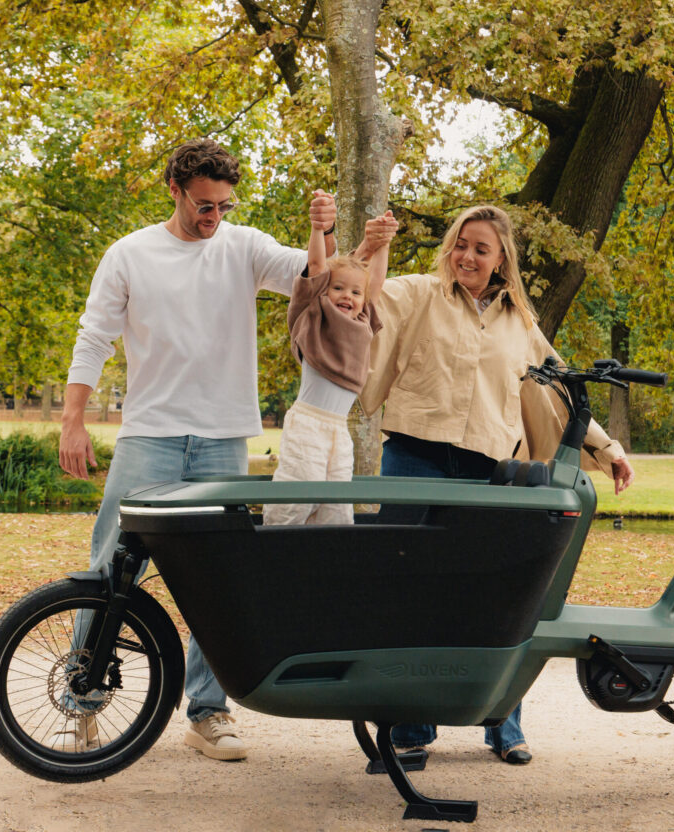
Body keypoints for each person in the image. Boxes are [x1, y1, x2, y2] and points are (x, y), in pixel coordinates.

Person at [58, 137, 337, 761]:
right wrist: (73, 421)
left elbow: (318, 274)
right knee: (109, 568)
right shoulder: (131, 253)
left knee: (218, 581)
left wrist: (327, 230)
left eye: (224, 205)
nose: (214, 217)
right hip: (149, 436)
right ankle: (82, 702)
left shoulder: (243, 246)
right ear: (177, 191)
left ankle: (208, 712)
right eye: (204, 205)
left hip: (221, 439)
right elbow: (94, 337)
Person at [358, 204, 634, 766]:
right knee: (410, 594)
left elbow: (562, 390)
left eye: (481, 248)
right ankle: (411, 729)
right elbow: (359, 300)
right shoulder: (417, 294)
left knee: (497, 597)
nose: (467, 256)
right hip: (414, 457)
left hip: (488, 471)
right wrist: (366, 249)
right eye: (461, 244)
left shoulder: (519, 324)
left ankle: (502, 722)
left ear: (502, 258)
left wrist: (606, 449)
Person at [262, 204, 395, 525]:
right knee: (293, 506)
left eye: (353, 291)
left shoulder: (363, 319)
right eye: (337, 288)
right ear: (324, 290)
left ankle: (323, 571)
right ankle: (271, 560)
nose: (346, 295)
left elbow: (374, 282)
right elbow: (317, 264)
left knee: (335, 515)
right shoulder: (312, 312)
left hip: (339, 430)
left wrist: (384, 243)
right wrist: (318, 229)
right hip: (308, 425)